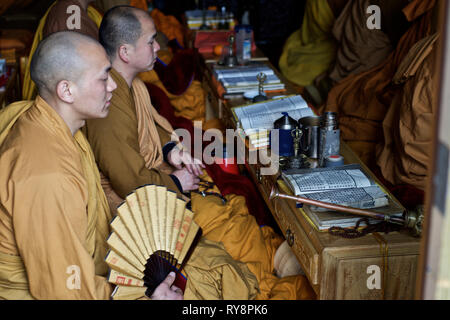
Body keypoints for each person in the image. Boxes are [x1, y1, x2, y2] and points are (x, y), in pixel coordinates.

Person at [0, 31, 259, 300]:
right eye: (103, 78)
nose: (113, 86)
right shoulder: (47, 173)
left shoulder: (48, 122)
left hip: (87, 267)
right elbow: (62, 290)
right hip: (63, 290)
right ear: (66, 90)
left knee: (215, 267)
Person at [85, 5, 316, 300]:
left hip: (165, 183)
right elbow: (128, 180)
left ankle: (280, 256)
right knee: (227, 226)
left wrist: (171, 149)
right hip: (153, 207)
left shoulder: (130, 84)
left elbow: (150, 126)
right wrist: (178, 183)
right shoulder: (110, 99)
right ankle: (281, 273)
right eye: (151, 40)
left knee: (233, 208)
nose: (158, 46)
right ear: (126, 52)